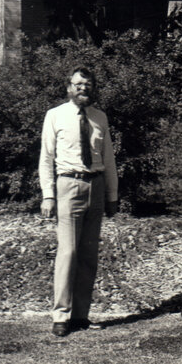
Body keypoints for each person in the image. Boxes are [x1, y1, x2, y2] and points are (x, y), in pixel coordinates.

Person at [39, 66, 119, 337]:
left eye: (88, 84)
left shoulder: (100, 118)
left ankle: (81, 315)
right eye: (78, 84)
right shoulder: (55, 116)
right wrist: (48, 194)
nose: (83, 88)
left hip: (95, 186)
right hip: (68, 185)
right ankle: (61, 315)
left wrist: (112, 195)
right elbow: (46, 158)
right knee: (68, 252)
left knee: (88, 255)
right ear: (68, 87)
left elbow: (108, 159)